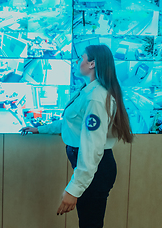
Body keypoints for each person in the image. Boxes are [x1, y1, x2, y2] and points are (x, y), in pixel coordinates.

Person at [20, 44, 133, 228]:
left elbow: (92, 147)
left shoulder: (95, 97)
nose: (76, 61)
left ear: (92, 64)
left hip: (94, 167)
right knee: (88, 223)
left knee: (90, 224)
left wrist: (74, 189)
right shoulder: (86, 90)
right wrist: (40, 129)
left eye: (80, 58)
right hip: (91, 166)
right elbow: (71, 123)